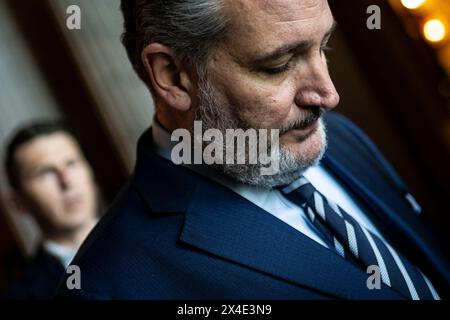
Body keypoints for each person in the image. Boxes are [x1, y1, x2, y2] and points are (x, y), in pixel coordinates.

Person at [57, 0, 449, 299]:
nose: (328, 95)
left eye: (323, 47)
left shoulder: (341, 137)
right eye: (278, 64)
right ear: (173, 75)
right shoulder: (112, 285)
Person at [2, 121, 98, 299]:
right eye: (45, 172)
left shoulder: (158, 235)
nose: (66, 181)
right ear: (18, 203)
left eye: (71, 164)